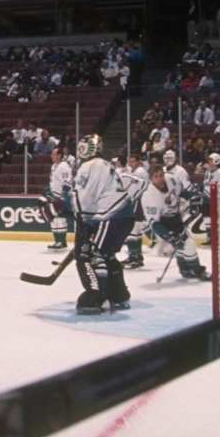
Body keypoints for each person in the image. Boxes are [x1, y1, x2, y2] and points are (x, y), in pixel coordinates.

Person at [68, 134, 146, 313]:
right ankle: (119, 296)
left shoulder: (88, 166)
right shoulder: (104, 165)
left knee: (91, 254)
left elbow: (83, 201)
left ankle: (97, 297)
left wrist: (65, 207)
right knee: (107, 255)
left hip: (111, 216)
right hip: (123, 215)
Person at [143, 165, 206, 281]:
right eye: (156, 177)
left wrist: (193, 197)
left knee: (181, 245)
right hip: (162, 223)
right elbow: (154, 223)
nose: (160, 178)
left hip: (175, 217)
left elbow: (181, 192)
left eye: (161, 175)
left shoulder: (171, 178)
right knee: (188, 243)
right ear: (151, 179)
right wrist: (169, 235)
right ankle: (197, 270)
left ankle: (185, 270)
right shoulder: (149, 196)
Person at [122, 152, 150, 269]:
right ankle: (136, 256)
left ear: (138, 161)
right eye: (130, 161)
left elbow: (141, 187)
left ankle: (134, 257)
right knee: (135, 230)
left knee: (133, 230)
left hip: (137, 203)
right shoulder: (135, 172)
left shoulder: (140, 172)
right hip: (137, 202)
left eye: (133, 161)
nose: (131, 163)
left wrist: (132, 199)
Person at [44, 145, 74, 251]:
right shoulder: (54, 166)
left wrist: (64, 196)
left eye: (54, 154)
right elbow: (53, 180)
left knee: (60, 218)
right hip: (54, 195)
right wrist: (49, 190)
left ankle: (62, 241)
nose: (52, 156)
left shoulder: (64, 166)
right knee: (54, 218)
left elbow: (67, 181)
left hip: (61, 196)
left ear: (59, 155)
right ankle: (57, 240)